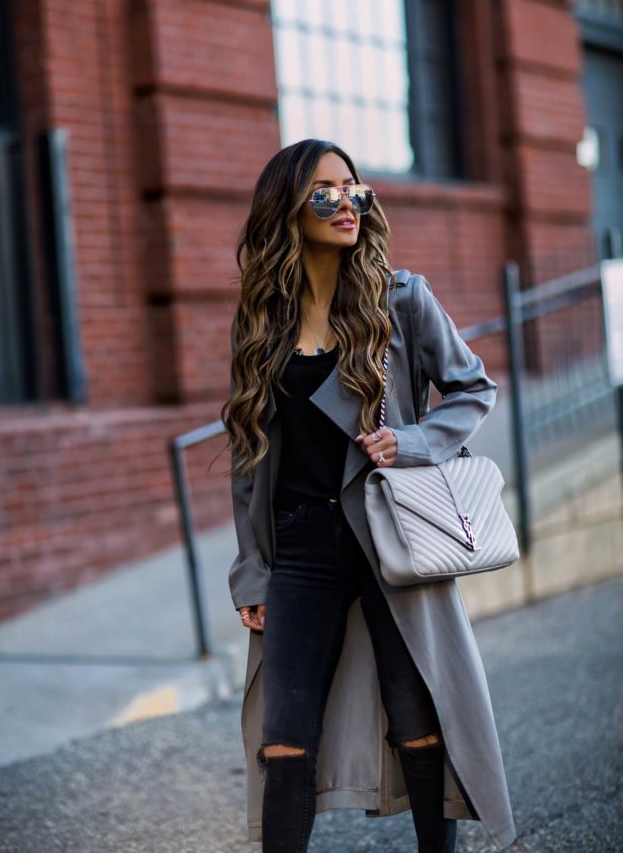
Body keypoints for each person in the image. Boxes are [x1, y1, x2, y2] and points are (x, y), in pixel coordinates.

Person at [221, 139, 517, 853]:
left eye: (354, 188)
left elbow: (475, 388)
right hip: (299, 548)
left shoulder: (401, 299)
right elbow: (249, 456)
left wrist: (410, 441)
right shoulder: (263, 320)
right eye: (324, 190)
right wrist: (251, 567)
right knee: (283, 739)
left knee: (417, 720)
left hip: (392, 535)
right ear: (289, 206)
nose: (345, 202)